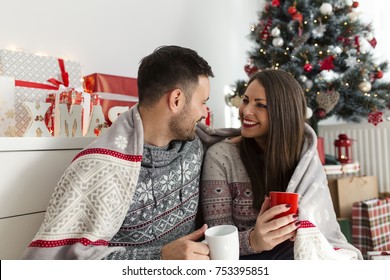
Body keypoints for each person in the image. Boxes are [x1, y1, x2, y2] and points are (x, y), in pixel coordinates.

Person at [22, 45, 234, 260]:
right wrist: (159, 258)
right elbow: (68, 264)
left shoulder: (194, 146)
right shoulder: (98, 169)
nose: (204, 112)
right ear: (176, 100)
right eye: (203, 102)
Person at [200, 69, 363, 260]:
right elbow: (217, 242)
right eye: (245, 100)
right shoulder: (221, 157)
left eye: (260, 105)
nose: (246, 111)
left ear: (283, 112)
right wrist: (255, 240)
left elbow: (322, 231)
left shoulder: (304, 156)